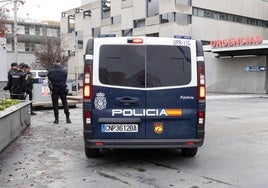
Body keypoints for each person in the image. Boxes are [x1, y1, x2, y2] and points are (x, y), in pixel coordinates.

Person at [48, 57, 71, 124]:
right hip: (63, 88)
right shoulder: (64, 70)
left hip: (55, 89)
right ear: (60, 62)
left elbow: (50, 79)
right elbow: (65, 78)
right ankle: (68, 119)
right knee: (65, 103)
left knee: (55, 105)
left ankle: (56, 119)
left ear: (55, 62)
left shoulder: (51, 71)